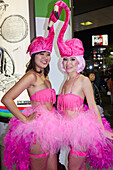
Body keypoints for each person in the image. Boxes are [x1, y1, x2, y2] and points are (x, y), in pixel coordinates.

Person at [48, 1, 113, 170]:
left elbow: (92, 106)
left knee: (73, 165)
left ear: (79, 62)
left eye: (72, 59)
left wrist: (103, 130)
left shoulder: (82, 80)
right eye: (66, 59)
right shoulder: (65, 81)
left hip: (81, 132)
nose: (69, 63)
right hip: (66, 130)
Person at [1, 10, 61, 170]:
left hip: (51, 127)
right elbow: (7, 99)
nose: (45, 57)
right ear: (33, 55)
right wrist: (26, 119)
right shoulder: (31, 76)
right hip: (38, 130)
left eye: (48, 54)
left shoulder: (45, 75)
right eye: (41, 54)